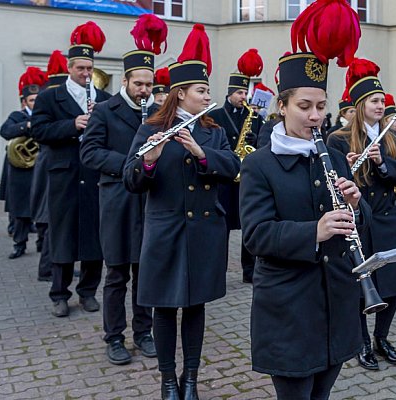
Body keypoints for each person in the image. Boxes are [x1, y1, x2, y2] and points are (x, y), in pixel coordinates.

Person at [239, 2, 370, 398]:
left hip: (334, 300)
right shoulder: (261, 163)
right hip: (289, 306)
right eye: (304, 106)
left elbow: (349, 229)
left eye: (320, 106)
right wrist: (315, 229)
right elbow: (257, 236)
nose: (315, 116)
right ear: (281, 106)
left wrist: (355, 205)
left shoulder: (329, 152)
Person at [123, 24, 238, 400]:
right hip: (165, 230)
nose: (208, 96)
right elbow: (131, 179)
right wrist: (150, 161)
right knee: (163, 307)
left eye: (207, 91)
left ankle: (190, 378)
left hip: (205, 232)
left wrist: (201, 153)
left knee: (194, 307)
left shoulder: (213, 130)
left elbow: (231, 167)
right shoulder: (150, 128)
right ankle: (168, 379)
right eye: (201, 91)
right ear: (181, 94)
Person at [80, 14, 165, 366]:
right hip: (117, 200)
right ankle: (114, 336)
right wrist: (130, 162)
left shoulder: (159, 112)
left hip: (150, 202)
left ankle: (143, 332)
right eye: (139, 84)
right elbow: (89, 152)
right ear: (126, 80)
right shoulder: (104, 110)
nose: (145, 90)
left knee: (144, 272)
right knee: (116, 273)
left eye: (149, 84)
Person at [328, 58, 396, 372]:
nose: (382, 105)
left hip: (388, 218)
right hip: (360, 221)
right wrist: (347, 166)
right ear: (361, 104)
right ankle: (362, 341)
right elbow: (332, 181)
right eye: (376, 101)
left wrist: (381, 163)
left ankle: (383, 337)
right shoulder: (338, 138)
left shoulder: (391, 136)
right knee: (363, 284)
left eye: (383, 100)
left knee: (393, 283)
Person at [31, 21, 112, 317]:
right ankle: (59, 293)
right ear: (69, 67)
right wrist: (72, 125)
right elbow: (38, 130)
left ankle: (88, 291)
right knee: (62, 234)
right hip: (63, 174)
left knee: (94, 234)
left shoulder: (103, 99)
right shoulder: (49, 97)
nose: (87, 74)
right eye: (81, 68)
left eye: (90, 68)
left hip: (93, 175)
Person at [208, 48, 265, 284]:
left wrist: (254, 141)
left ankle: (248, 270)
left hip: (246, 177)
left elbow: (263, 142)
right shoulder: (217, 115)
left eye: (246, 92)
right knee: (221, 227)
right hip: (224, 178)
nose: (244, 96)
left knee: (247, 225)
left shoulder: (254, 116)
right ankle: (217, 271)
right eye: (240, 92)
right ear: (231, 93)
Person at [29, 50, 69, 282]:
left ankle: (53, 265)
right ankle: (47, 269)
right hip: (49, 167)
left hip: (52, 166)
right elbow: (41, 131)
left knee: (52, 221)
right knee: (50, 220)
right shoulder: (48, 102)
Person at [0, 67, 46, 260]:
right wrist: (26, 125)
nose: (35, 104)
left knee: (42, 210)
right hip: (20, 171)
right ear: (24, 102)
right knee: (20, 210)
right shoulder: (17, 116)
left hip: (39, 168)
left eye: (37, 100)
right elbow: (5, 131)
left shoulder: (45, 117)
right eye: (32, 100)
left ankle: (42, 245)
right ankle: (19, 244)